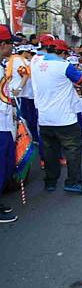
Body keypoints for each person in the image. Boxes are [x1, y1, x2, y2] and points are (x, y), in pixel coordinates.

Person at [30, 38, 82, 194]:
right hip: (65, 118)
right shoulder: (64, 66)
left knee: (50, 152)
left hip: (44, 118)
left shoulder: (35, 64)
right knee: (73, 150)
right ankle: (73, 182)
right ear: (62, 53)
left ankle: (50, 182)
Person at [0, 25, 18, 222]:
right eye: (11, 44)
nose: (13, 48)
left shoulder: (2, 66)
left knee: (5, 165)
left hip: (5, 123)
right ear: (3, 44)